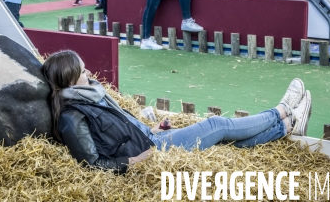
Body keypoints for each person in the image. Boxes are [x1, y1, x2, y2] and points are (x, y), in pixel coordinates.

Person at [42, 50, 312, 174]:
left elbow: (121, 124)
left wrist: (151, 127)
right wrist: (135, 162)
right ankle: (283, 110)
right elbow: (93, 164)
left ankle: (288, 126)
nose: (89, 72)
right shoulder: (71, 116)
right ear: (69, 78)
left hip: (150, 138)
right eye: (83, 70)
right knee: (216, 126)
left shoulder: (91, 94)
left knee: (226, 142)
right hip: (151, 151)